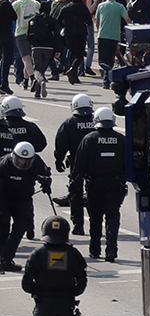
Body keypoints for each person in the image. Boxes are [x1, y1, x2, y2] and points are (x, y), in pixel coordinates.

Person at [73, 108, 127, 261]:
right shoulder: (121, 140)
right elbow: (129, 163)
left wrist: (76, 182)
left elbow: (79, 165)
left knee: (95, 218)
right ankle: (111, 251)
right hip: (115, 184)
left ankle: (94, 249)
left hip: (94, 185)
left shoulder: (89, 139)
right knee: (113, 217)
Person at [0, 142, 52, 270]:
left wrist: (45, 181)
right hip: (4, 198)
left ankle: (7, 259)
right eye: (20, 160)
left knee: (21, 225)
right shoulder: (4, 164)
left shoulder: (36, 161)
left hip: (23, 199)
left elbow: (46, 174)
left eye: (26, 161)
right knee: (3, 228)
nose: (22, 163)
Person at [53, 94, 96, 234]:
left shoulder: (70, 123)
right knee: (93, 194)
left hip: (76, 163)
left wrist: (59, 160)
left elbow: (61, 143)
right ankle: (95, 224)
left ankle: (78, 226)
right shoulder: (98, 121)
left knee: (75, 193)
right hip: (96, 164)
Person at [94, 0, 129, 88]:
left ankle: (108, 73)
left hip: (103, 35)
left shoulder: (101, 6)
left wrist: (98, 29)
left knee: (102, 61)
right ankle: (107, 81)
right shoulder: (120, 6)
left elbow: (97, 20)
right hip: (114, 36)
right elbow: (127, 18)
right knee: (110, 59)